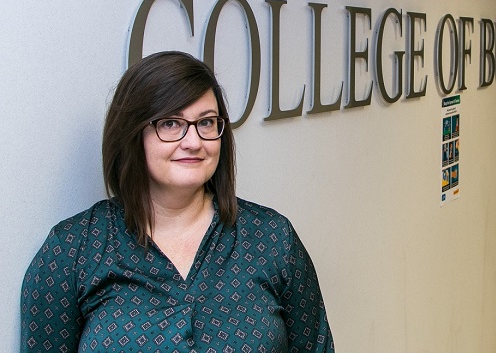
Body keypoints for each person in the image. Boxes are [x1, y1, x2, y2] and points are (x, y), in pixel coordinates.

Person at [21, 51, 334, 352]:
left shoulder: (272, 239)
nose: (194, 141)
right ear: (133, 135)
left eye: (207, 122)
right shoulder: (71, 251)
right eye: (170, 123)